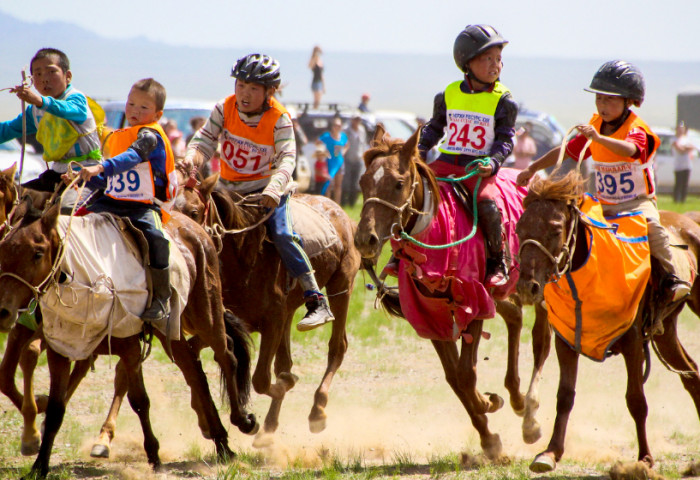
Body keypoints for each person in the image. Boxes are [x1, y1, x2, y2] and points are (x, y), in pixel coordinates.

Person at [179, 53, 334, 331]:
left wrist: (275, 188)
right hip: (227, 191)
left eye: (253, 88)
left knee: (284, 235)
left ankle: (315, 299)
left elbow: (288, 157)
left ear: (269, 91)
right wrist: (192, 156)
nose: (244, 94)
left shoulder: (280, 118)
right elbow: (204, 141)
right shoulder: (224, 108)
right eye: (240, 86)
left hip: (266, 193)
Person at [516, 60, 691, 303]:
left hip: (636, 204)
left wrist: (597, 139)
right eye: (599, 99)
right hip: (603, 203)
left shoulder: (636, 129)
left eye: (610, 99)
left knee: (655, 229)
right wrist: (533, 167)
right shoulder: (595, 127)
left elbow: (630, 150)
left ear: (628, 101)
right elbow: (565, 151)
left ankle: (671, 279)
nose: (602, 105)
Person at [416, 24, 518, 288]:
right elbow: (434, 129)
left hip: (477, 168)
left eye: (499, 60)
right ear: (467, 63)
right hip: (446, 161)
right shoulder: (448, 94)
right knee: (414, 191)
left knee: (487, 204)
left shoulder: (504, 100)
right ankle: (401, 252)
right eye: (488, 59)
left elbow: (506, 140)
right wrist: (419, 151)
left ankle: (497, 262)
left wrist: (493, 162)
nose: (496, 65)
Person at [73, 78, 178, 323]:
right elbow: (113, 181)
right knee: (74, 222)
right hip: (110, 201)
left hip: (142, 205)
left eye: (143, 107)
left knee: (157, 238)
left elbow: (132, 158)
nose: (134, 111)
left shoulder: (149, 136)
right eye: (131, 104)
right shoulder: (116, 136)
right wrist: (83, 178)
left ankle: (162, 297)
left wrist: (99, 167)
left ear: (157, 114)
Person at [0, 48, 102, 198]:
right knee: (14, 199)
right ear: (32, 80)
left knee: (65, 212)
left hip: (87, 173)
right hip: (57, 174)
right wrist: (39, 103)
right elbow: (7, 130)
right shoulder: (35, 111)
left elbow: (67, 109)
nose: (44, 79)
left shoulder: (76, 99)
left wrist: (40, 101)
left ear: (68, 76)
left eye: (51, 72)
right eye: (38, 74)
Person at [318, 117, 348, 204]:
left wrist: (343, 152)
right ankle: (328, 204)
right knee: (329, 184)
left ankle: (337, 204)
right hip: (329, 162)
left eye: (339, 125)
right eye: (335, 125)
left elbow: (347, 145)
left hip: (339, 162)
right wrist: (323, 151)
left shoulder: (343, 136)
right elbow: (317, 142)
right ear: (332, 126)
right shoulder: (327, 136)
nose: (337, 127)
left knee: (338, 185)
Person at [342, 114, 368, 206]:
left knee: (355, 182)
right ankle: (343, 202)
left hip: (358, 159)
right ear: (352, 120)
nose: (357, 121)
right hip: (348, 159)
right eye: (355, 119)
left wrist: (363, 155)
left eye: (358, 120)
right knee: (346, 182)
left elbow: (363, 143)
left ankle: (352, 203)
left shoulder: (362, 130)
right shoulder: (346, 130)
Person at [671, 122, 696, 203]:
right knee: (678, 183)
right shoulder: (674, 139)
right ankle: (676, 199)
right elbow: (680, 150)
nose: (681, 130)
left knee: (685, 184)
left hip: (687, 165)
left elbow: (692, 147)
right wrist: (686, 148)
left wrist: (685, 147)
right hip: (678, 165)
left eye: (682, 128)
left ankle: (683, 200)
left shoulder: (687, 139)